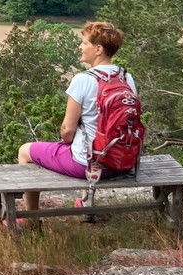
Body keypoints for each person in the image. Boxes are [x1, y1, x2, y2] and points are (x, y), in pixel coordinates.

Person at [16, 21, 135, 212]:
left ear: (98, 49)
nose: (80, 46)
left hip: (86, 165)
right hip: (122, 161)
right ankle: (85, 202)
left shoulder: (83, 79)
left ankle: (31, 217)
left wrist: (67, 142)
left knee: (25, 151)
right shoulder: (126, 77)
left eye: (84, 43)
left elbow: (67, 130)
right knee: (88, 141)